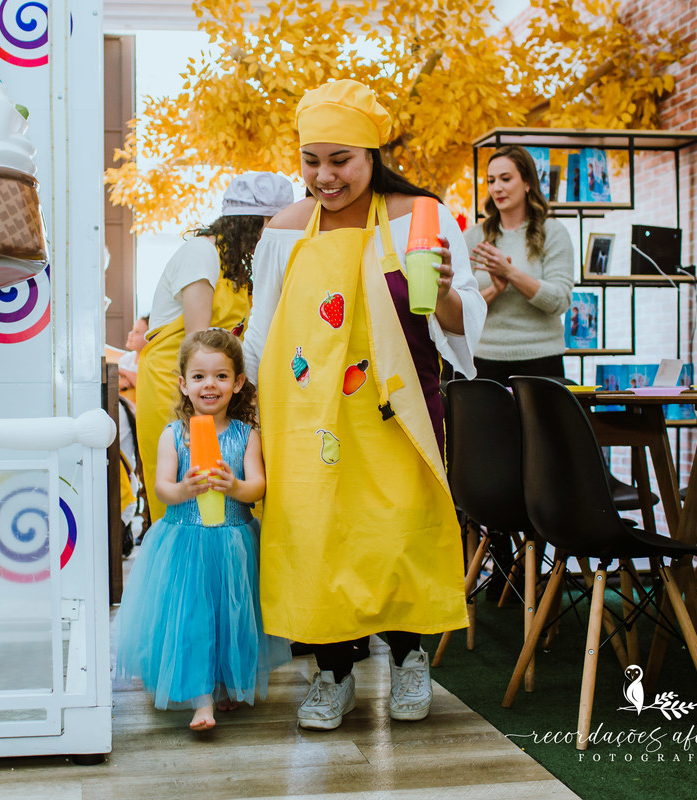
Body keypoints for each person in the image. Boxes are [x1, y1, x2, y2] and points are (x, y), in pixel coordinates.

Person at [242, 79, 484, 731]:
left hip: (396, 409)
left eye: (340, 160)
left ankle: (410, 662)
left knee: (397, 527)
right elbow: (263, 330)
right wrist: (243, 404)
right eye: (311, 160)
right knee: (319, 536)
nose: (324, 177)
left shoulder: (421, 216)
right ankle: (334, 674)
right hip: (307, 415)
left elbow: (461, 322)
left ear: (372, 153)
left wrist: (438, 282)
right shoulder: (285, 231)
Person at [116, 328, 285, 731]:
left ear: (238, 383)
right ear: (184, 384)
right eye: (199, 376)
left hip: (233, 540)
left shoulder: (247, 435)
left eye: (221, 376)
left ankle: (225, 684)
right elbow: (162, 487)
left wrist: (236, 486)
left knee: (231, 616)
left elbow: (258, 486)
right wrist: (184, 489)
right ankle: (201, 700)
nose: (210, 384)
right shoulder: (174, 435)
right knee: (193, 619)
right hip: (186, 542)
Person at [137, 172, 294, 524]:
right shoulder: (201, 253)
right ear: (254, 223)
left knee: (218, 494)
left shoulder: (234, 269)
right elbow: (199, 340)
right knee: (183, 489)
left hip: (211, 386)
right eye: (274, 226)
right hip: (177, 384)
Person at [466, 144, 575, 385]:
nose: (497, 188)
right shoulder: (474, 237)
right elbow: (461, 308)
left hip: (541, 361)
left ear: (527, 183)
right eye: (491, 180)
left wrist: (510, 273)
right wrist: (496, 289)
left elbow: (560, 301)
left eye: (506, 178)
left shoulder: (553, 233)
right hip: (484, 361)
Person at [118, 314, 150, 401]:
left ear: (149, 338)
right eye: (132, 330)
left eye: (137, 332)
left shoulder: (150, 361)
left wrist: (125, 372)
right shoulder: (126, 359)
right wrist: (119, 383)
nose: (130, 334)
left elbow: (145, 388)